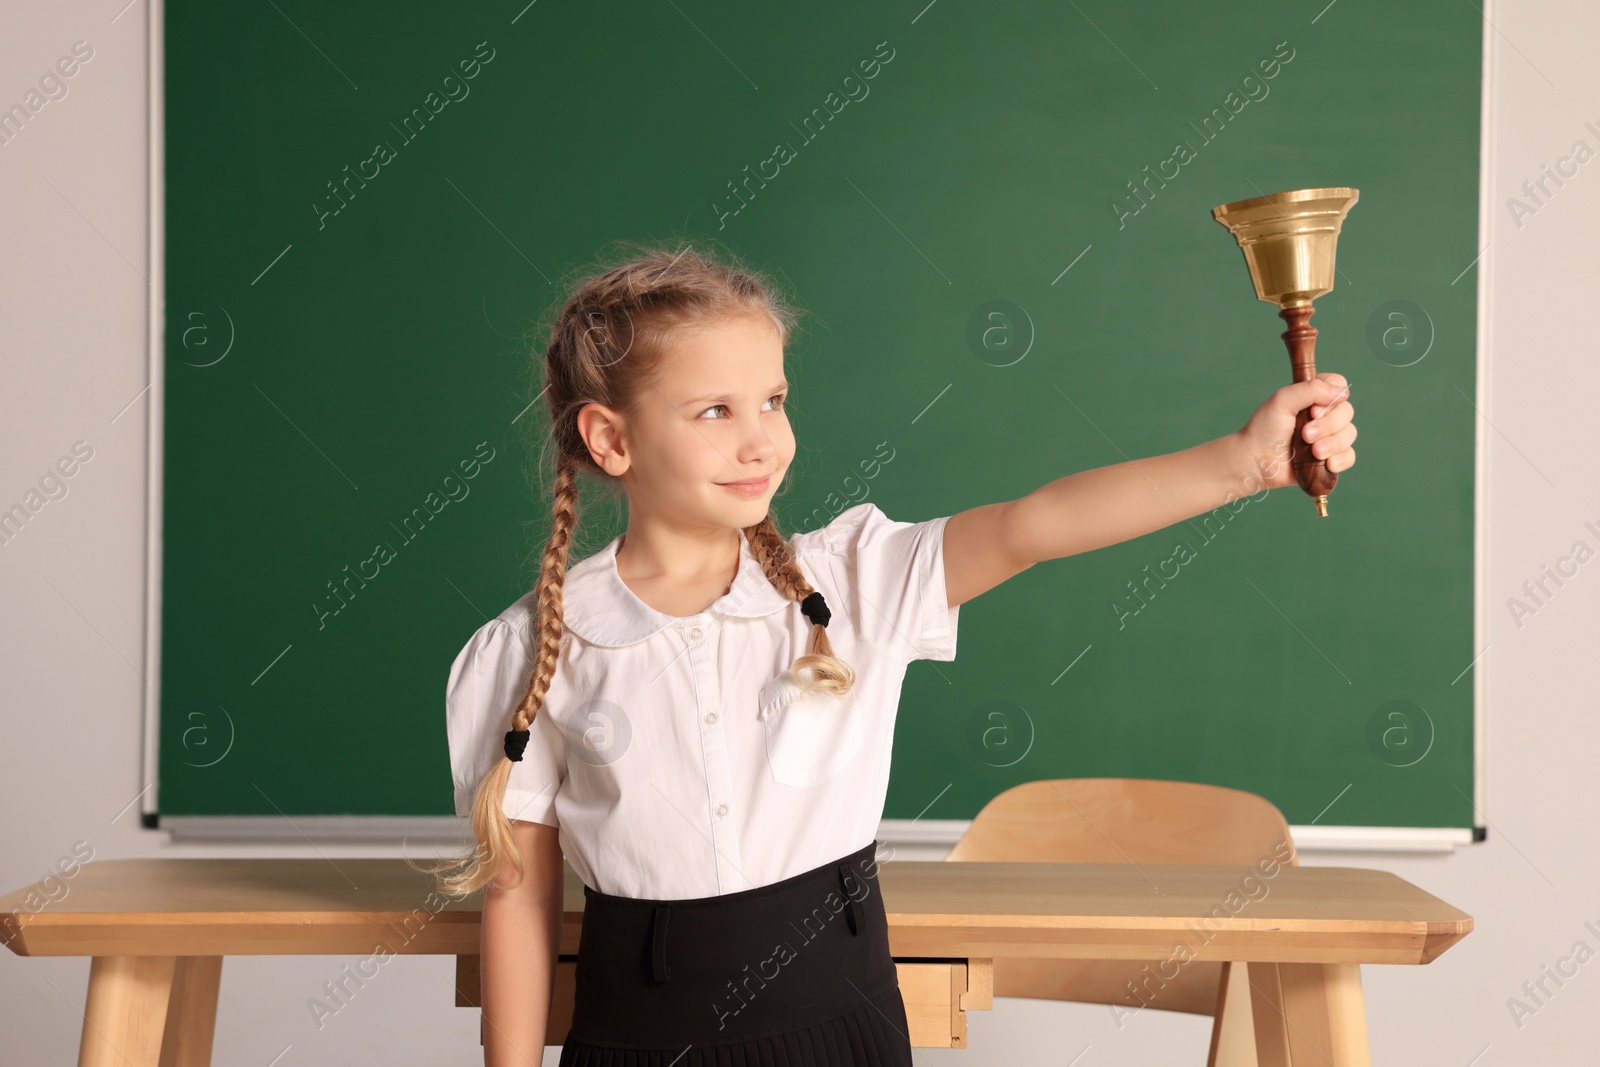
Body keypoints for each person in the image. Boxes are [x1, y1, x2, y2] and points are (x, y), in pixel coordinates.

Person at [430, 241, 1357, 1066]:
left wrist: (1246, 463)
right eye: (714, 409)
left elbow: (1035, 524)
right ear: (610, 438)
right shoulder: (528, 652)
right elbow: (516, 894)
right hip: (636, 1037)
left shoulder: (857, 579)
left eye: (773, 399)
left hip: (842, 1025)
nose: (761, 438)